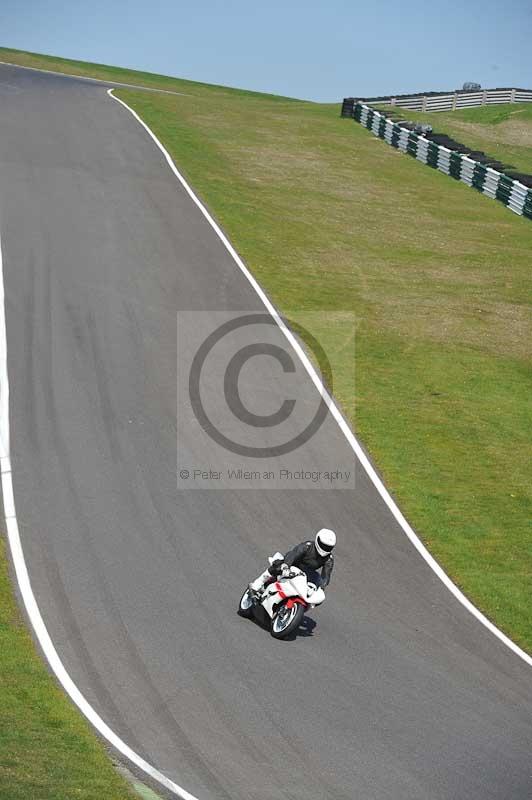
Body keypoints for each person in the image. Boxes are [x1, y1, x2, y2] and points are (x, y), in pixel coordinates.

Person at [249, 528, 336, 598]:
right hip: (292, 565)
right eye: (323, 545)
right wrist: (286, 565)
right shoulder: (308, 546)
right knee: (278, 566)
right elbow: (294, 554)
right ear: (317, 539)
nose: (325, 548)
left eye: (328, 547)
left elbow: (326, 576)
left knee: (313, 593)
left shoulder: (329, 559)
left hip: (305, 574)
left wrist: (321, 588)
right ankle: (257, 584)